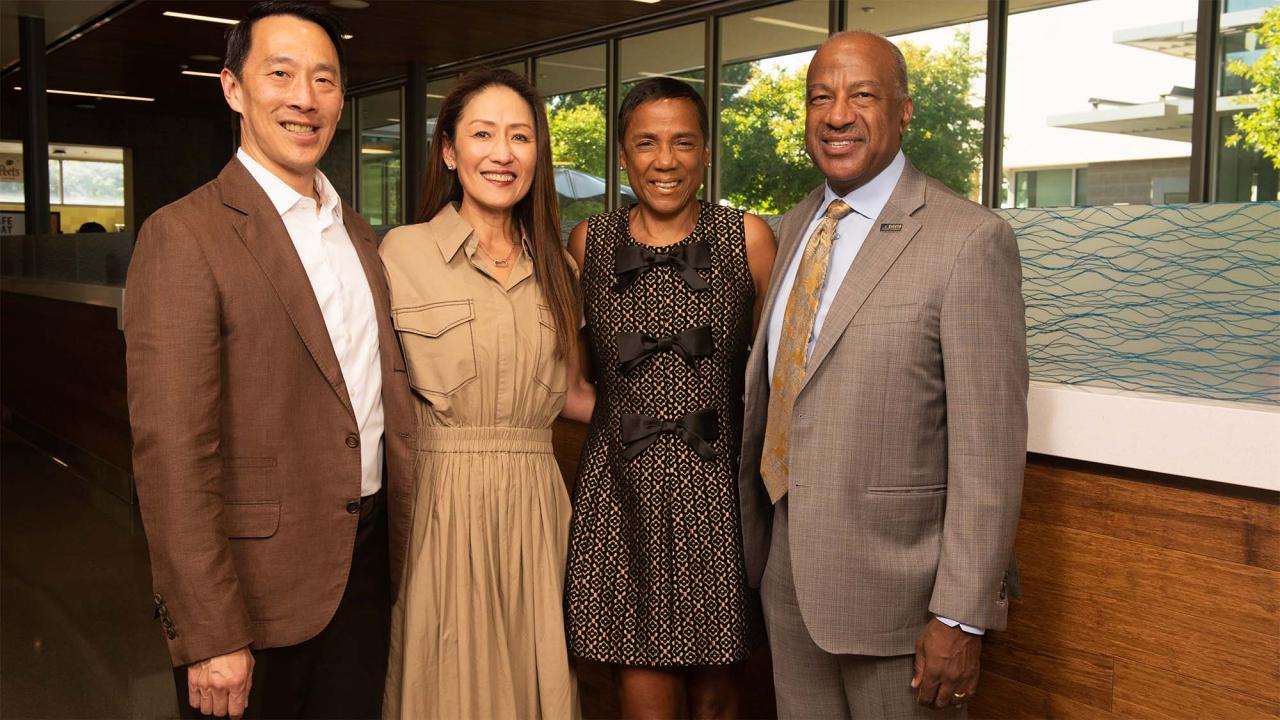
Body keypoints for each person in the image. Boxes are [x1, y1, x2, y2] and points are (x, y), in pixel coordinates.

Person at [123, 2, 414, 718]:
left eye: (324, 79)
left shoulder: (357, 232)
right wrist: (209, 632)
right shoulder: (184, 235)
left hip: (366, 569)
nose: (304, 99)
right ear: (232, 89)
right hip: (252, 597)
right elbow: (172, 457)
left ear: (342, 98)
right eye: (280, 74)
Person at [737, 31, 1028, 718]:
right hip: (787, 581)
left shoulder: (969, 240)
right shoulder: (799, 221)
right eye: (820, 97)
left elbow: (989, 452)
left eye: (862, 95)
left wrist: (959, 617)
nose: (837, 114)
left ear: (903, 111)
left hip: (903, 608)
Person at [380, 67, 591, 720]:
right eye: (483, 134)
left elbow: (575, 396)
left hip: (536, 509)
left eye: (521, 137)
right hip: (441, 509)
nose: (503, 154)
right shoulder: (399, 254)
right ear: (449, 149)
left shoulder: (562, 267)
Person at [565, 78, 777, 719]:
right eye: (647, 144)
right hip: (621, 490)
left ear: (706, 151)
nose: (666, 160)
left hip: (718, 496)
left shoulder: (749, 238)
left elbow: (777, 379)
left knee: (718, 702)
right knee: (642, 696)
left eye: (684, 142)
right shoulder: (589, 244)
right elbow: (578, 385)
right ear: (624, 155)